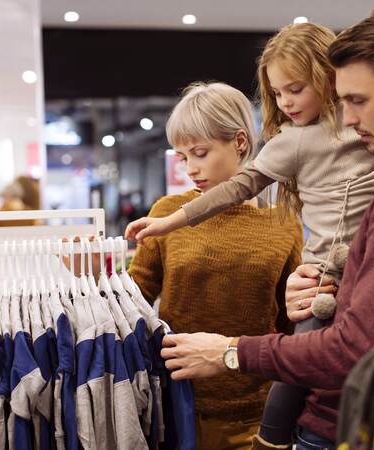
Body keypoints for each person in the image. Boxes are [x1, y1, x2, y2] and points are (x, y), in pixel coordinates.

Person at [125, 20, 374, 450]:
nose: (351, 117)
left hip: (340, 413)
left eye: (356, 99)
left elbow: (350, 346)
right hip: (234, 394)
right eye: (344, 100)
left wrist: (231, 352)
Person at [127, 82, 304, 450]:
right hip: (176, 405)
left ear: (240, 142)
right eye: (182, 157)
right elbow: (133, 302)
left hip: (256, 413)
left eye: (200, 153)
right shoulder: (166, 214)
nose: (190, 168)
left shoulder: (283, 223)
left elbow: (292, 328)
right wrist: (88, 274)